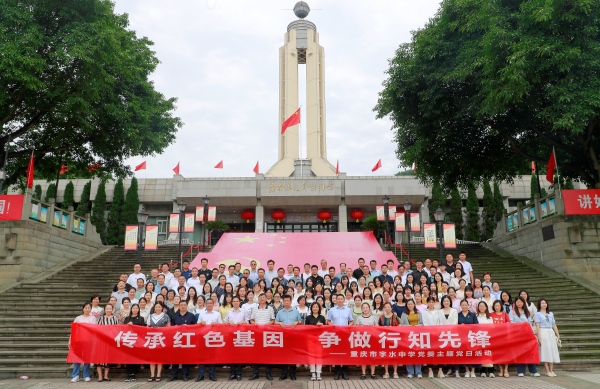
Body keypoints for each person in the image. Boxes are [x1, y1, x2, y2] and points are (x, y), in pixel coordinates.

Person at [510, 297, 540, 377]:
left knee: (530, 352)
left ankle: (533, 371)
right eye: (517, 301)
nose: (519, 303)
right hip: (517, 335)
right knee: (520, 352)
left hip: (527, 334)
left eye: (521, 302)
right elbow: (511, 322)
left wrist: (533, 334)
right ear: (515, 303)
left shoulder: (527, 312)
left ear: (523, 303)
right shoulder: (512, 312)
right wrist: (520, 324)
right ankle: (520, 371)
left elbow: (530, 324)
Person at [168, 300, 197, 382]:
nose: (183, 306)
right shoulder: (175, 316)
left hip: (187, 340)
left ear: (187, 306)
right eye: (181, 305)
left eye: (184, 305)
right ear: (179, 306)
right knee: (175, 358)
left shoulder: (191, 316)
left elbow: (195, 327)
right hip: (177, 340)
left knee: (185, 358)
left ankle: (185, 375)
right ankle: (174, 375)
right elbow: (172, 328)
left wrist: (188, 327)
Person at [249, 293, 275, 380]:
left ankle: (268, 373)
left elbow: (273, 320)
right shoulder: (254, 309)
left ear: (266, 299)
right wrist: (254, 323)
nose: (262, 299)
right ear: (258, 299)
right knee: (256, 354)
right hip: (257, 334)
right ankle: (255, 373)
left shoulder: (270, 308)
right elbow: (251, 320)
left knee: (268, 354)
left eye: (263, 297)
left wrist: (269, 324)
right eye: (260, 297)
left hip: (267, 335)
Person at [328, 294, 354, 380]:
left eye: (341, 299)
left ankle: (345, 371)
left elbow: (352, 321)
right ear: (335, 300)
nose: (339, 300)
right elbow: (328, 321)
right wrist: (334, 326)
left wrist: (347, 327)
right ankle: (337, 371)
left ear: (344, 300)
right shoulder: (332, 310)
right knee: (336, 353)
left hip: (345, 334)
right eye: (338, 299)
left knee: (345, 352)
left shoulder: (348, 310)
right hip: (335, 335)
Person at [275, 295, 302, 380]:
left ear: (291, 301)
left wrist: (297, 322)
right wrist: (279, 323)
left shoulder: (295, 311)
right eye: (285, 301)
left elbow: (301, 322)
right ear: (283, 302)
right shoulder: (280, 312)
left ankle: (293, 374)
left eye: (288, 301)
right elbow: (275, 322)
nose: (286, 302)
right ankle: (284, 373)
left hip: (293, 337)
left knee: (293, 355)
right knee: (283, 356)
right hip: (282, 337)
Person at [69, 302, 96, 382]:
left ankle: (86, 375)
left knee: (86, 358)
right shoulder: (78, 318)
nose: (87, 309)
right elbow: (73, 330)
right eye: (86, 308)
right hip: (78, 340)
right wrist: (70, 340)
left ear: (91, 309)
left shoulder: (93, 318)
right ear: (83, 309)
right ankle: (75, 375)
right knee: (77, 358)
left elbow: (94, 329)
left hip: (88, 340)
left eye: (89, 308)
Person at [196, 298, 221, 381]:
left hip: (213, 337)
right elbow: (197, 325)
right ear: (205, 304)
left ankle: (212, 375)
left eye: (211, 303)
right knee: (201, 356)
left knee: (212, 356)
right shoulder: (201, 314)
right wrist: (200, 323)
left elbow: (221, 326)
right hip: (203, 337)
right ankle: (201, 375)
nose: (209, 304)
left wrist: (216, 324)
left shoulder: (217, 314)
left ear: (213, 304)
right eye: (208, 303)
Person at [534, 298, 560, 377]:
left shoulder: (551, 314)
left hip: (550, 332)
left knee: (552, 350)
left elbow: (554, 324)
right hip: (543, 331)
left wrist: (558, 334)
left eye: (545, 303)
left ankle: (551, 370)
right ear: (539, 304)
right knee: (545, 350)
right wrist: (539, 337)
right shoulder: (537, 314)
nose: (544, 304)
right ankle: (547, 370)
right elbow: (537, 326)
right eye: (542, 303)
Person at [225, 296, 248, 381]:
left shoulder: (244, 311)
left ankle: (239, 373)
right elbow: (225, 322)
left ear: (239, 302)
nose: (235, 302)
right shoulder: (229, 312)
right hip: (231, 335)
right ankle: (232, 373)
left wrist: (242, 322)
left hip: (240, 335)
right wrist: (228, 322)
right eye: (234, 301)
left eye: (237, 301)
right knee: (231, 355)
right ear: (232, 302)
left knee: (239, 355)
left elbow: (248, 322)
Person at [147, 301, 170, 382]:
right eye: (156, 307)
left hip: (161, 339)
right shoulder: (150, 316)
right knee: (152, 358)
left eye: (159, 307)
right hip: (152, 339)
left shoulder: (166, 316)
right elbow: (147, 327)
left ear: (162, 308)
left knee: (159, 357)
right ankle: (152, 374)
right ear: (154, 308)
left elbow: (169, 328)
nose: (157, 308)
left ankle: (159, 374)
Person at [421, 297, 443, 378]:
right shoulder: (424, 312)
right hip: (429, 335)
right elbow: (425, 323)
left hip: (438, 335)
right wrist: (431, 331)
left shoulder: (438, 312)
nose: (431, 303)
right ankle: (430, 371)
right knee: (430, 353)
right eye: (429, 302)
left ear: (434, 303)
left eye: (432, 302)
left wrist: (437, 331)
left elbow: (441, 323)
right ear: (427, 303)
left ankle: (440, 371)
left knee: (439, 353)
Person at [355, 302, 378, 380]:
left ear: (369, 308)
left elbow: (377, 327)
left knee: (372, 355)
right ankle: (363, 373)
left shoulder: (373, 317)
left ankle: (373, 373)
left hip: (372, 339)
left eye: (366, 307)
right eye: (363, 308)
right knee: (363, 355)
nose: (365, 309)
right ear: (362, 309)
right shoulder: (359, 318)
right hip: (362, 339)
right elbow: (356, 328)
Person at [400, 299, 422, 378]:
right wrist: (408, 327)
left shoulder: (418, 313)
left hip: (417, 335)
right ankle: (410, 372)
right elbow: (401, 324)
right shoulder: (404, 314)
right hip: (408, 336)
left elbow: (422, 323)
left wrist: (417, 326)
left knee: (417, 353)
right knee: (409, 353)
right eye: (408, 304)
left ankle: (418, 372)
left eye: (411, 304)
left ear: (414, 304)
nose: (410, 305)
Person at [97, 303, 119, 382]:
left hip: (110, 341)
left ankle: (106, 376)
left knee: (107, 359)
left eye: (110, 308)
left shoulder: (115, 318)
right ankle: (100, 376)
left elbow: (117, 329)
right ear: (105, 309)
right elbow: (97, 329)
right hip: (102, 341)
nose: (109, 310)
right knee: (99, 359)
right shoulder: (101, 318)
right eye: (107, 308)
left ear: (112, 309)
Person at [379, 302, 401, 379]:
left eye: (388, 307)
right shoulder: (381, 317)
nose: (387, 309)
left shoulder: (395, 316)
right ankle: (386, 372)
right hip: (384, 340)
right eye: (385, 307)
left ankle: (395, 372)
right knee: (386, 355)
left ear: (391, 308)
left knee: (394, 355)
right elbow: (378, 328)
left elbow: (400, 326)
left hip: (394, 339)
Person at [124, 303, 145, 382]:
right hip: (128, 341)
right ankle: (128, 374)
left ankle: (133, 374)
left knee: (134, 358)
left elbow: (142, 330)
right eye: (134, 308)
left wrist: (134, 326)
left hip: (137, 341)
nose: (135, 309)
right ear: (131, 309)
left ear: (139, 310)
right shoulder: (127, 318)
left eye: (137, 308)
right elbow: (123, 329)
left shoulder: (141, 319)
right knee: (128, 358)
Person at [305, 301, 326, 380]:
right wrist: (315, 326)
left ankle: (319, 372)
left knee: (319, 356)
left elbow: (325, 329)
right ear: (311, 308)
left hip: (320, 339)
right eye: (313, 307)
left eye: (317, 307)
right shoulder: (308, 318)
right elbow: (306, 329)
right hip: (311, 339)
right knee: (311, 356)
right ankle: (313, 373)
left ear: (319, 308)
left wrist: (322, 325)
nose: (315, 308)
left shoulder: (322, 317)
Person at [457, 300, 478, 377]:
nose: (464, 306)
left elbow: (476, 325)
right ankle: (467, 371)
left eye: (466, 305)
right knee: (465, 354)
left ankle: (473, 371)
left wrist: (468, 326)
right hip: (462, 337)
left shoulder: (472, 314)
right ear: (460, 306)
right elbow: (455, 326)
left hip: (472, 337)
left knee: (472, 354)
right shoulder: (458, 315)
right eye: (463, 305)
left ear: (468, 306)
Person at [439, 295, 458, 377]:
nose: (446, 302)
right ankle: (449, 369)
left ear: (450, 302)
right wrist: (444, 331)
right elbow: (439, 322)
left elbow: (455, 322)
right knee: (447, 352)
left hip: (453, 334)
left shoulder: (454, 311)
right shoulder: (439, 311)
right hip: (443, 335)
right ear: (442, 302)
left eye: (447, 301)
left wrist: (449, 330)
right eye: (444, 301)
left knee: (455, 352)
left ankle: (456, 370)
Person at [490, 300, 510, 377]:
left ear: (501, 306)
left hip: (504, 337)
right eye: (495, 306)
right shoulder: (491, 314)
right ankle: (500, 369)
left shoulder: (505, 315)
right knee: (498, 354)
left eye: (498, 305)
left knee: (506, 353)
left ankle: (506, 369)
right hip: (495, 337)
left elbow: (509, 325)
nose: (497, 307)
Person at [475, 301, 495, 377]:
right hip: (479, 338)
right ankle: (482, 371)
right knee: (481, 354)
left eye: (483, 306)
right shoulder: (476, 316)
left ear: (486, 307)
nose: (482, 308)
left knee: (489, 354)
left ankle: (491, 371)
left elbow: (492, 328)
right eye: (480, 306)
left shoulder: (489, 317)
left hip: (488, 338)